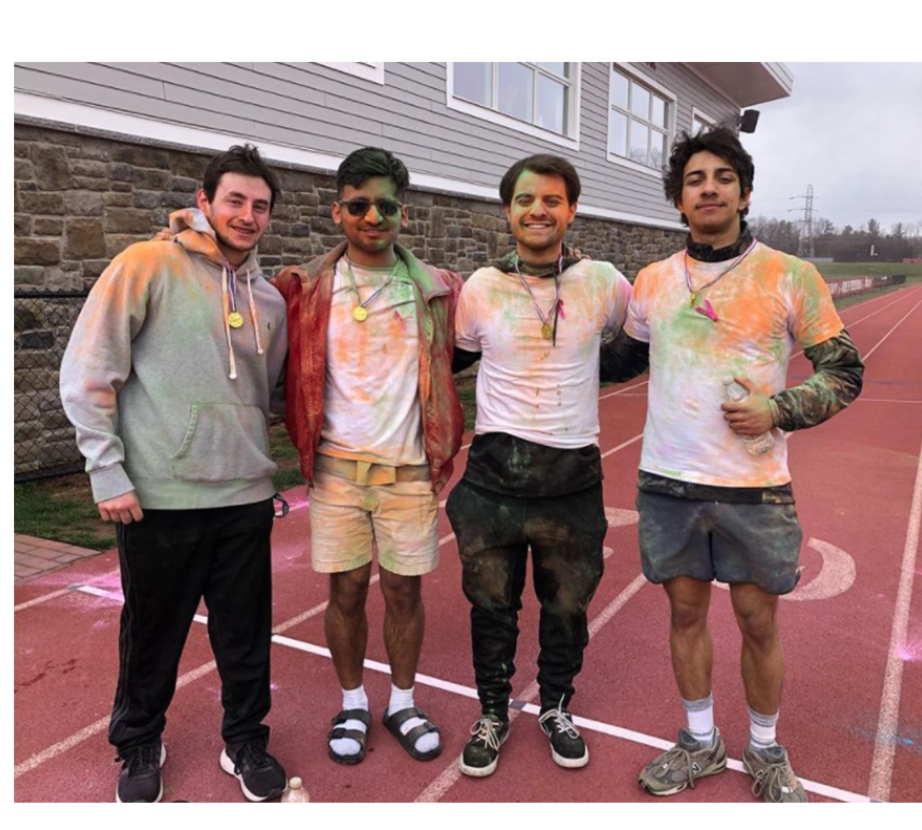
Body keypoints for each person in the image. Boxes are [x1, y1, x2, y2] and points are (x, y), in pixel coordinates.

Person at [602, 126, 864, 802]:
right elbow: (620, 362)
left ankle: (767, 750)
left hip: (753, 488)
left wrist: (780, 409)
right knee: (684, 615)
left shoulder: (789, 275)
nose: (709, 187)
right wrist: (559, 308)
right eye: (695, 180)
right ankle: (699, 742)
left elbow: (844, 372)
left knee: (757, 622)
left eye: (722, 177)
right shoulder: (654, 281)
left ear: (744, 193)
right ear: (679, 200)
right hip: (668, 485)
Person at [61, 144, 289, 802]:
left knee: (244, 634)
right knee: (154, 634)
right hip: (158, 499)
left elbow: (268, 398)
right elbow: (87, 374)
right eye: (235, 201)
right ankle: (139, 743)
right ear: (205, 202)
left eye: (260, 205)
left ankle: (245, 739)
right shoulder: (146, 264)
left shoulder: (268, 299)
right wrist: (106, 472)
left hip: (245, 497)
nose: (247, 215)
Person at [273, 147, 464, 766]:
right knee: (348, 591)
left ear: (402, 213)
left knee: (405, 593)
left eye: (386, 205)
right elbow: (235, 282)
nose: (373, 216)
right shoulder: (302, 287)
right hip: (335, 472)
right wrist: (187, 238)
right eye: (359, 205)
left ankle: (402, 702)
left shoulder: (439, 290)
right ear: (337, 211)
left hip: (409, 471)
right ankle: (354, 701)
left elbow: (504, 306)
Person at [447, 154, 633, 777]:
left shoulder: (604, 280)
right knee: (491, 608)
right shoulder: (480, 287)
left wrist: (582, 376)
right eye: (525, 200)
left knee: (566, 609)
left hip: (572, 479)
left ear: (571, 209)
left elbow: (637, 346)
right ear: (508, 211)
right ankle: (494, 713)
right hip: (492, 479)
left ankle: (555, 706)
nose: (538, 210)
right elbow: (449, 364)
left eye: (552, 200)